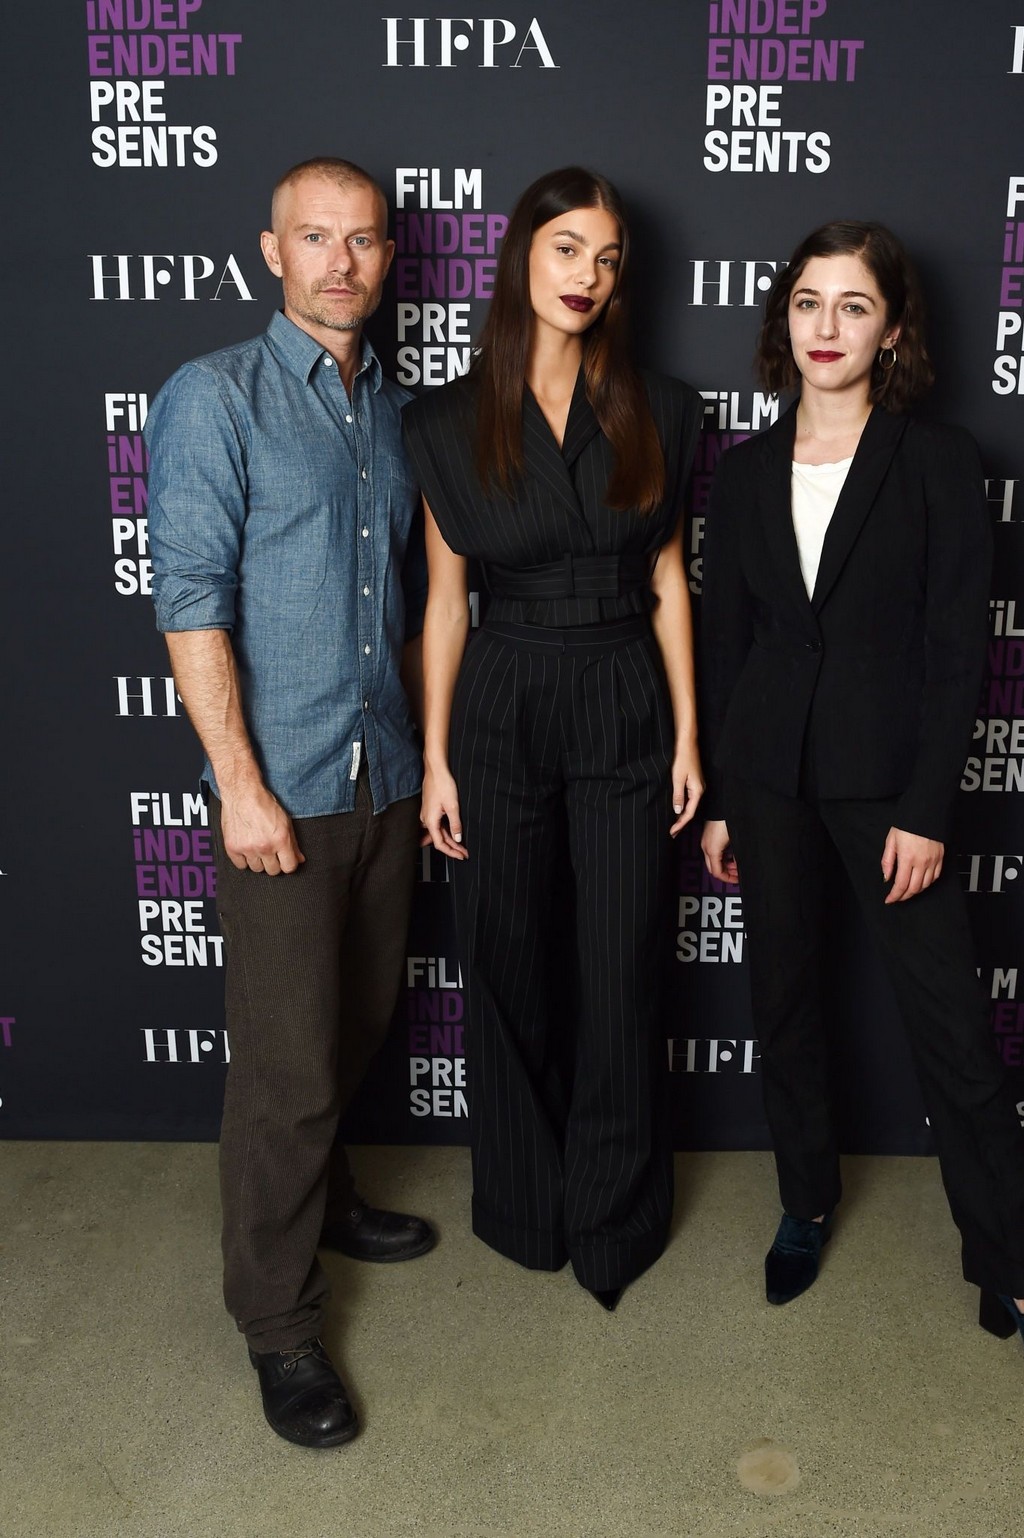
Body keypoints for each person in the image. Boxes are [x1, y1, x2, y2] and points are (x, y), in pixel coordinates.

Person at [699, 220, 1024, 1409]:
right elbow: (730, 648)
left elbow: (955, 651)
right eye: (810, 302)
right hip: (769, 780)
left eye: (854, 306)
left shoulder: (936, 461)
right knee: (783, 1003)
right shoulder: (736, 469)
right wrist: (725, 795)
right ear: (784, 319)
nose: (827, 328)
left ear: (892, 328)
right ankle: (806, 1199)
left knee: (956, 1044)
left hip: (890, 793)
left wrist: (927, 807)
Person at [146, 157, 435, 1448]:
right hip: (288, 796)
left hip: (383, 778)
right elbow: (190, 600)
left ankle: (327, 1198)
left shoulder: (395, 408)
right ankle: (277, 1322)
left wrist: (426, 759)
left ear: (387, 256)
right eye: (315, 238)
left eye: (363, 240)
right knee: (285, 1072)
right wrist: (240, 786)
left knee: (356, 1026)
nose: (341, 262)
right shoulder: (215, 395)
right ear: (271, 250)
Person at [403, 166, 703, 1311]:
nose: (588, 275)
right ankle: (526, 1204)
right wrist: (436, 757)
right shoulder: (440, 419)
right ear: (523, 253)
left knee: (624, 965)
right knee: (510, 956)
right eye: (568, 247)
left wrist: (684, 734)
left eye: (609, 257)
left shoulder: (663, 407)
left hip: (625, 685)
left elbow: (673, 581)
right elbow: (443, 601)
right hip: (502, 695)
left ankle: (615, 1216)